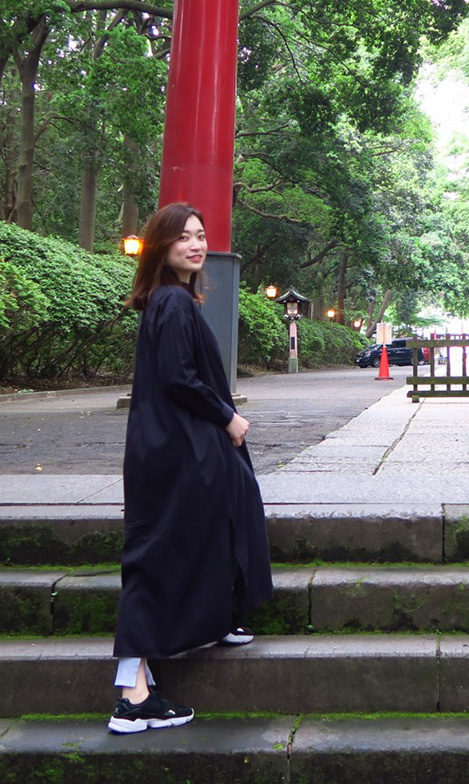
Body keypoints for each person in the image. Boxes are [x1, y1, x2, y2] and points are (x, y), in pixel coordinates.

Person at [108, 202, 272, 735]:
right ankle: (131, 698)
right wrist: (228, 416)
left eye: (200, 236)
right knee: (155, 557)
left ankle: (217, 617)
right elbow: (178, 378)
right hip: (176, 450)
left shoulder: (170, 299)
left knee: (209, 523)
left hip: (169, 446)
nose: (196, 245)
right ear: (161, 246)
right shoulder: (174, 303)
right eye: (183, 238)